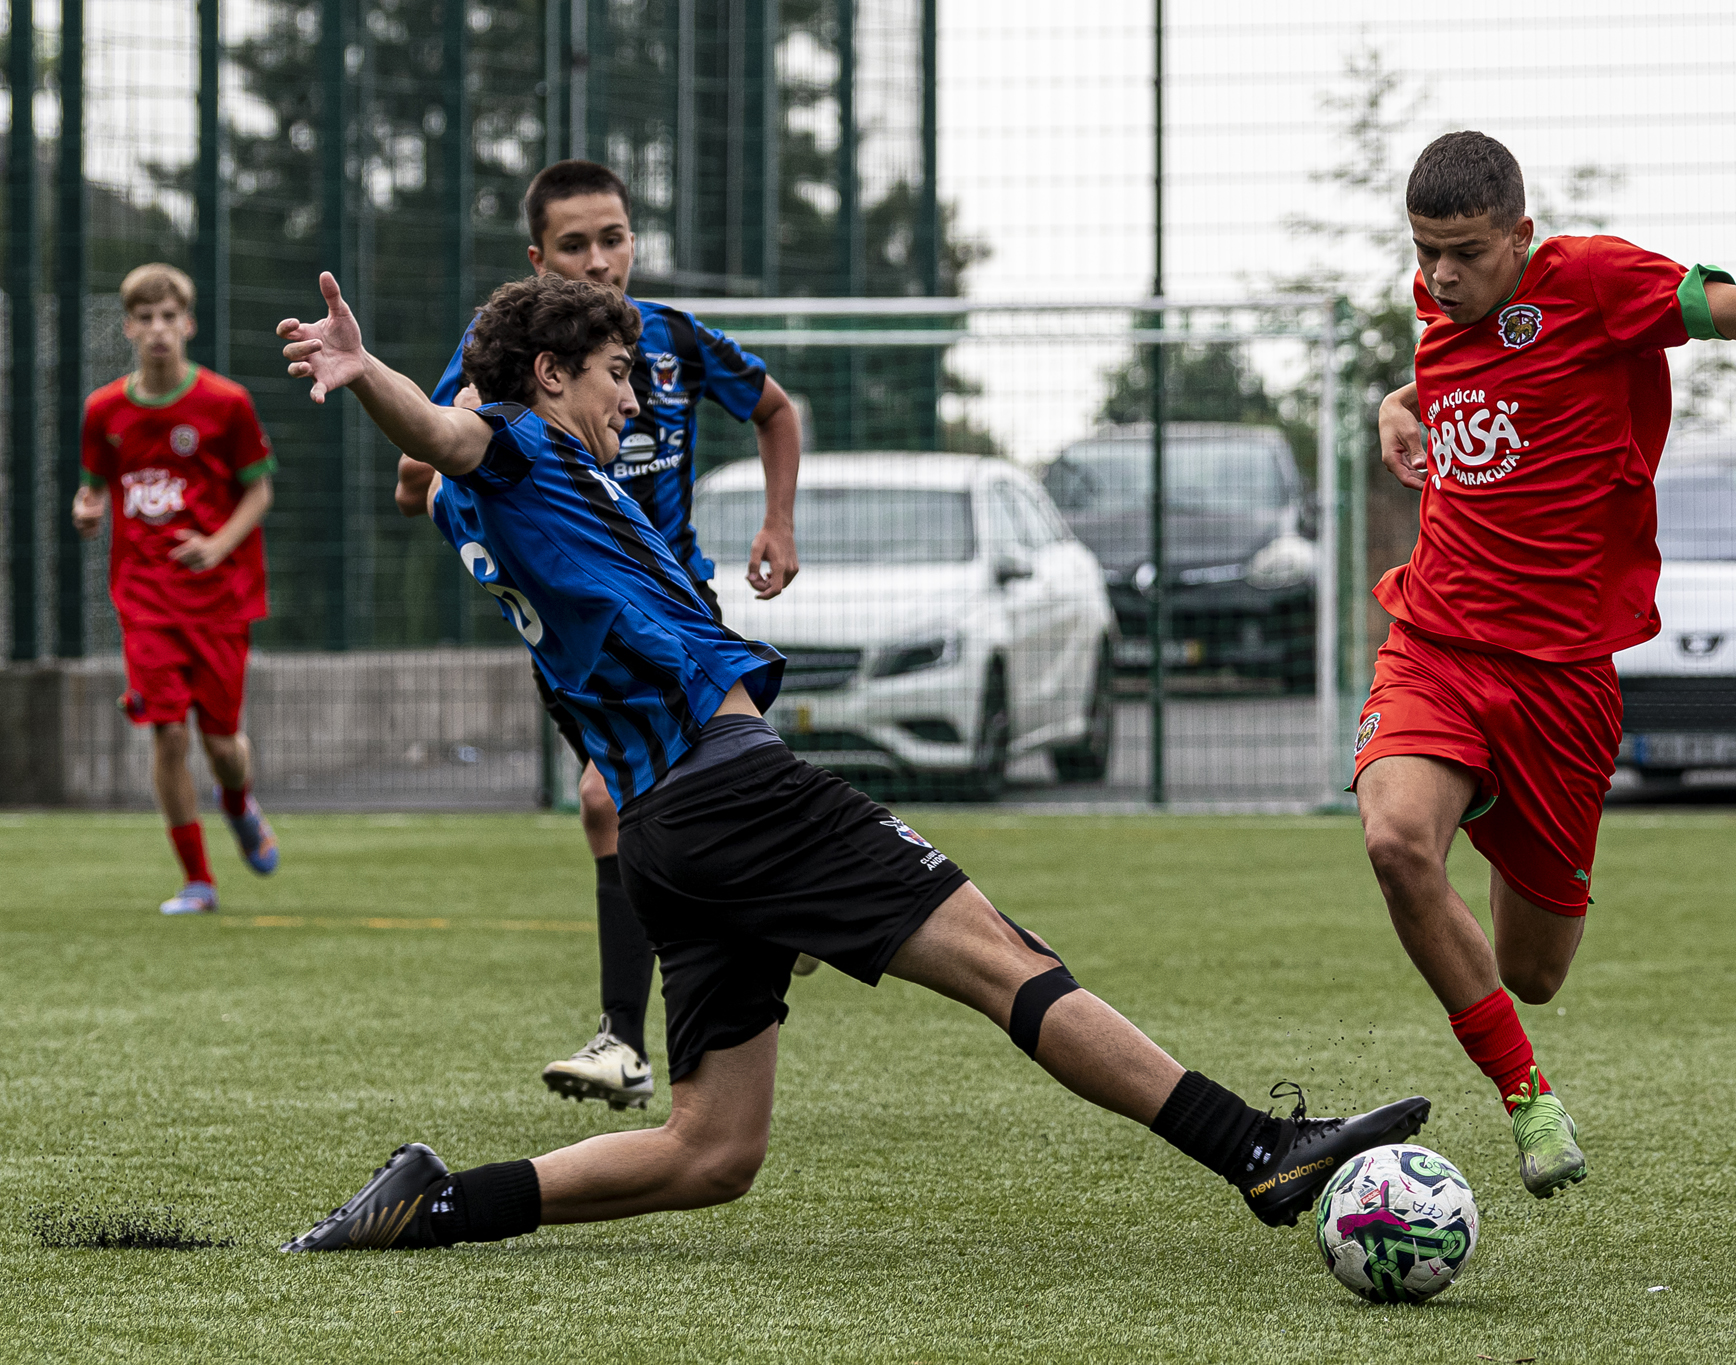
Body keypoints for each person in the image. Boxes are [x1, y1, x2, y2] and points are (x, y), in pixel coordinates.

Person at [272, 270, 1430, 1251]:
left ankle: (439, 1203)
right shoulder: (520, 450)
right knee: (1001, 959)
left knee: (712, 1149)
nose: (634, 397)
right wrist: (367, 372)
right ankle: (1259, 1151)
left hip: (668, 829)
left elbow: (452, 452)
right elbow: (446, 435)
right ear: (548, 376)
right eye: (617, 375)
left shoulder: (557, 487)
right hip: (728, 787)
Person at [1357, 131, 1736, 1199]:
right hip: (1434, 646)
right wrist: (1400, 402)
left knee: (1530, 971)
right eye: (1424, 250)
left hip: (1560, 681)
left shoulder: (1596, 281)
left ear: (1520, 236)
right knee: (1394, 842)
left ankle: (1483, 796)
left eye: (1465, 252)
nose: (1438, 275)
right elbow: (1460, 369)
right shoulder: (1443, 301)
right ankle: (1527, 1101)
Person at [428, 159, 804, 1111]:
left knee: (609, 798)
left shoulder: (669, 339)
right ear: (538, 258)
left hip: (674, 613)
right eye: (575, 245)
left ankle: (624, 1039)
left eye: (615, 238)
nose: (600, 261)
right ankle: (764, 912)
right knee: (640, 814)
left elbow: (774, 408)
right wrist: (445, 456)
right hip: (576, 636)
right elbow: (426, 459)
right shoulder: (502, 357)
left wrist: (778, 523)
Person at [72, 263, 282, 915]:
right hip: (144, 598)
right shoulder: (104, 409)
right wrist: (87, 511)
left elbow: (259, 488)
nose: (159, 329)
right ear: (129, 327)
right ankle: (198, 878)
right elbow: (93, 487)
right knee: (167, 732)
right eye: (146, 318)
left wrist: (217, 545)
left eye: (170, 317)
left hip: (220, 598)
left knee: (221, 743)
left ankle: (240, 802)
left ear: (187, 325)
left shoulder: (226, 403)